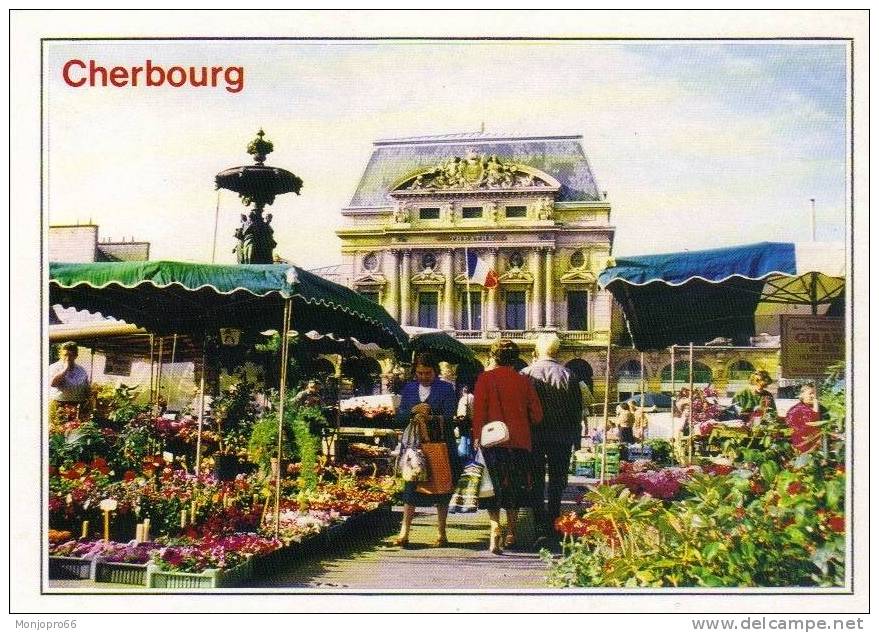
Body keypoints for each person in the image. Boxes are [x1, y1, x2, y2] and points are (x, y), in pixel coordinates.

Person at [472, 339, 543, 554]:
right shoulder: (524, 382)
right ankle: (512, 532)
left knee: (492, 487)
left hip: (492, 443)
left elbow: (478, 413)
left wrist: (477, 437)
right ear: (515, 359)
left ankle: (495, 527)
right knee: (515, 487)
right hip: (520, 443)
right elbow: (537, 416)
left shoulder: (484, 378)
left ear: (494, 357)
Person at [393, 352, 459, 547]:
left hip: (440, 446)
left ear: (435, 372)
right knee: (410, 488)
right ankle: (404, 532)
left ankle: (442, 532)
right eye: (420, 373)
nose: (424, 376)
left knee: (441, 490)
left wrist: (429, 414)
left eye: (428, 373)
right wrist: (413, 411)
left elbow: (450, 417)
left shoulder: (446, 388)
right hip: (415, 447)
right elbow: (400, 417)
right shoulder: (409, 388)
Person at [520, 333, 582, 542]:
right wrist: (577, 440)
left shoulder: (526, 374)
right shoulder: (569, 375)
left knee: (535, 481)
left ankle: (538, 525)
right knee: (557, 480)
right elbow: (576, 411)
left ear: (537, 350)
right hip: (561, 437)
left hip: (534, 436)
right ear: (558, 351)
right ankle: (554, 521)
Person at [49, 342, 91, 419]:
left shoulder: (81, 370)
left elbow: (86, 386)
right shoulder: (54, 367)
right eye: (65, 355)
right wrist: (65, 369)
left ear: (76, 356)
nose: (68, 358)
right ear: (60, 355)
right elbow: (53, 383)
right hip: (60, 404)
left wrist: (89, 399)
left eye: (71, 355)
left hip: (78, 404)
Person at [784, 384, 827, 454]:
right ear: (802, 395)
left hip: (820, 444)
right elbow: (794, 427)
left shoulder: (822, 408)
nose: (813, 396)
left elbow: (825, 423)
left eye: (815, 394)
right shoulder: (795, 410)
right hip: (803, 446)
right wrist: (815, 411)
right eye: (811, 393)